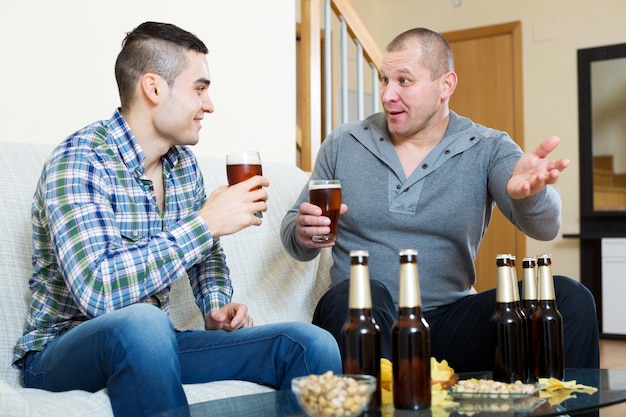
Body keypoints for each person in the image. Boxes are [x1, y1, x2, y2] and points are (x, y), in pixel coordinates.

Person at [13, 21, 342, 417]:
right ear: (153, 88)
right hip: (59, 352)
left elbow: (208, 259)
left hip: (155, 343)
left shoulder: (181, 165)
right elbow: (98, 290)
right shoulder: (80, 160)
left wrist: (216, 307)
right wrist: (203, 224)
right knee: (144, 323)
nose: (209, 105)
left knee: (309, 344)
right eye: (199, 88)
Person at [281, 27, 599, 373]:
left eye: (403, 81)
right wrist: (302, 231)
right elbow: (296, 234)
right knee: (362, 293)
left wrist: (532, 196)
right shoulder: (344, 142)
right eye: (384, 79)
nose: (387, 94)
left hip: (448, 320)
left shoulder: (488, 147)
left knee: (569, 297)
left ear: (445, 85)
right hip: (360, 316)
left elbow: (546, 228)